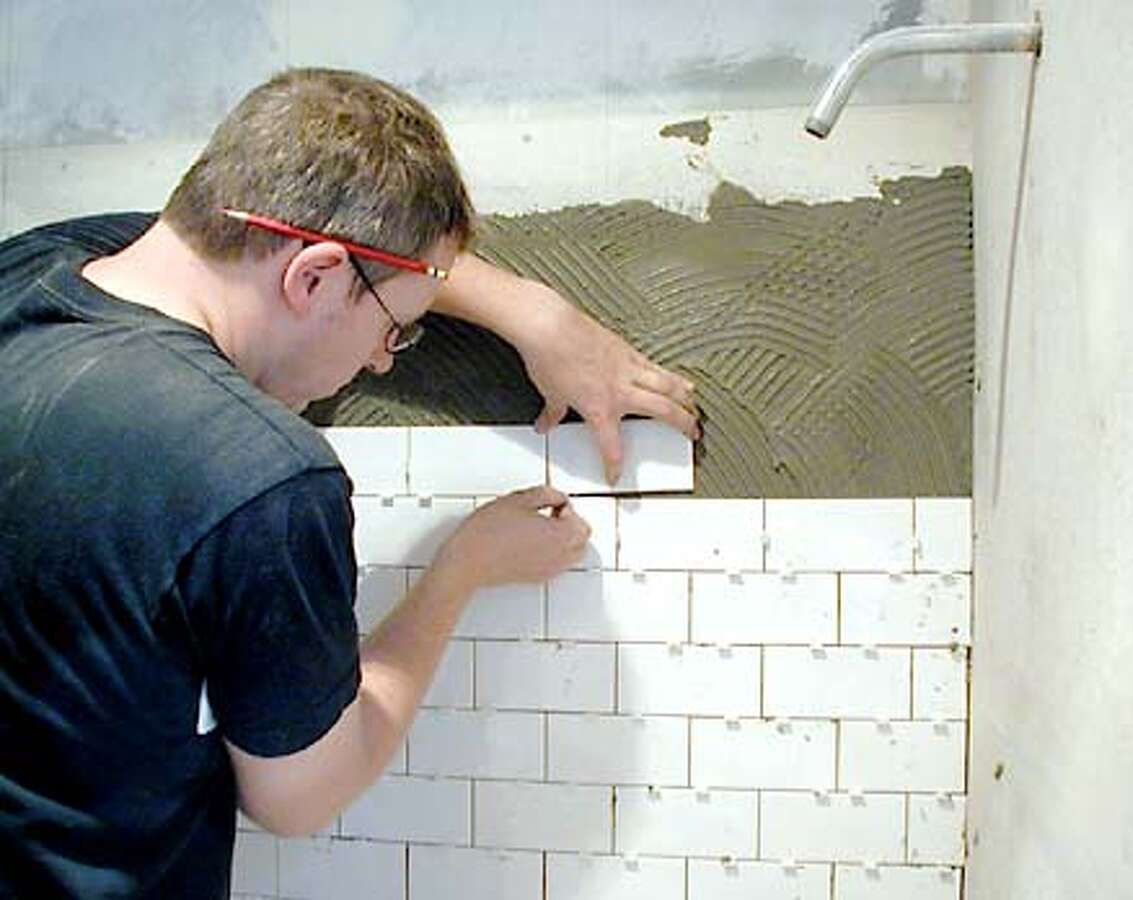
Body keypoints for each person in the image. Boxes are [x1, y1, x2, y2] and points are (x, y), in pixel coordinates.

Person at [0, 68, 698, 897]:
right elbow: (299, 796)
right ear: (314, 277)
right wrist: (461, 572)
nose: (378, 359)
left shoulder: (35, 268)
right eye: (394, 329)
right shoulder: (259, 477)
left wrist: (534, 314)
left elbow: (293, 241)